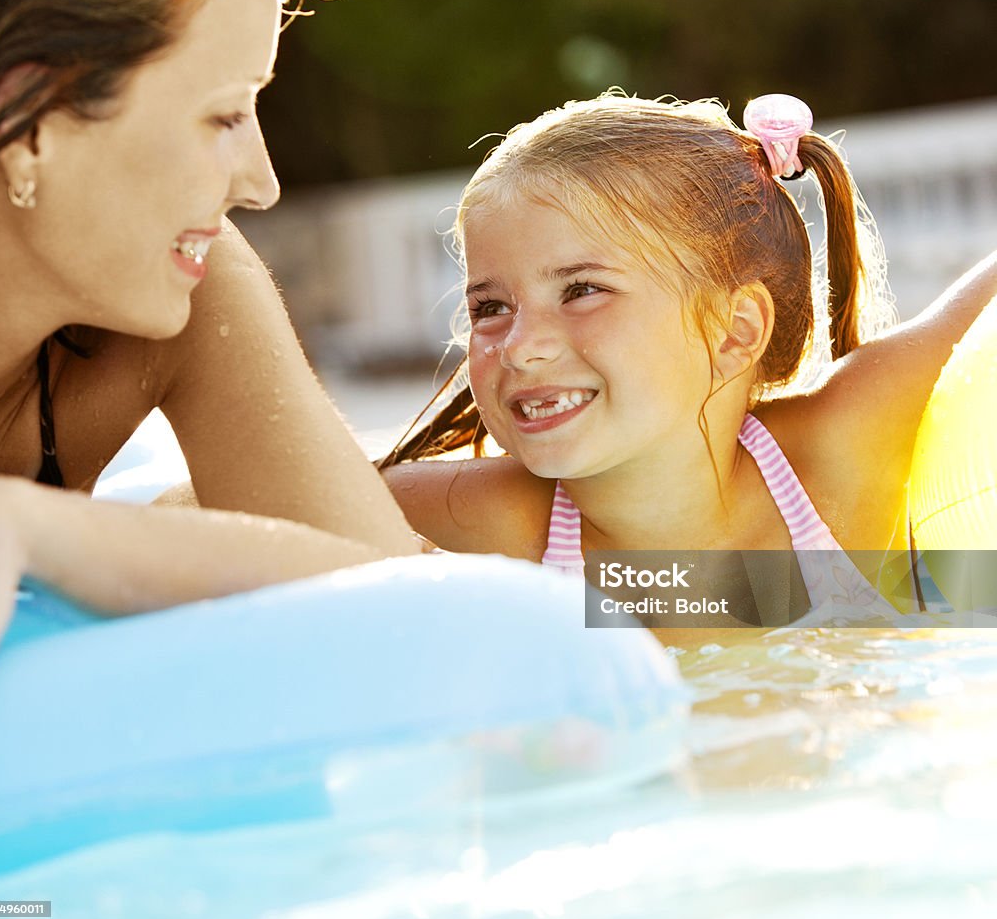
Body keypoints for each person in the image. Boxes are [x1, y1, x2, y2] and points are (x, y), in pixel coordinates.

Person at [0, 0, 419, 711]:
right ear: (26, 121)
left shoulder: (193, 287)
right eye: (224, 114)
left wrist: (24, 525)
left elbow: (403, 615)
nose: (262, 183)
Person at [381, 92, 997, 624]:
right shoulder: (488, 526)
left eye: (582, 290)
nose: (520, 346)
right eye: (491, 307)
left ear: (734, 332)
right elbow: (290, 497)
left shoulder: (838, 459)